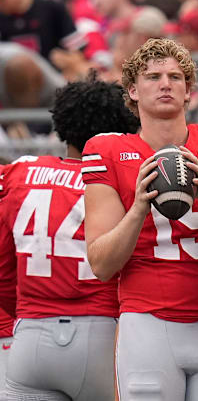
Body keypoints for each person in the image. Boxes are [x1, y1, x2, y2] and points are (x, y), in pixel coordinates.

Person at [81, 38, 198, 401]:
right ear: (132, 90)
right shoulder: (108, 150)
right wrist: (137, 209)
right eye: (153, 77)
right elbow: (101, 264)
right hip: (147, 323)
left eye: (175, 77)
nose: (165, 84)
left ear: (188, 91)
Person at [0, 73, 139, 400]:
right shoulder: (122, 180)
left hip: (31, 336)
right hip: (103, 332)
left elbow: (3, 268)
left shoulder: (20, 172)